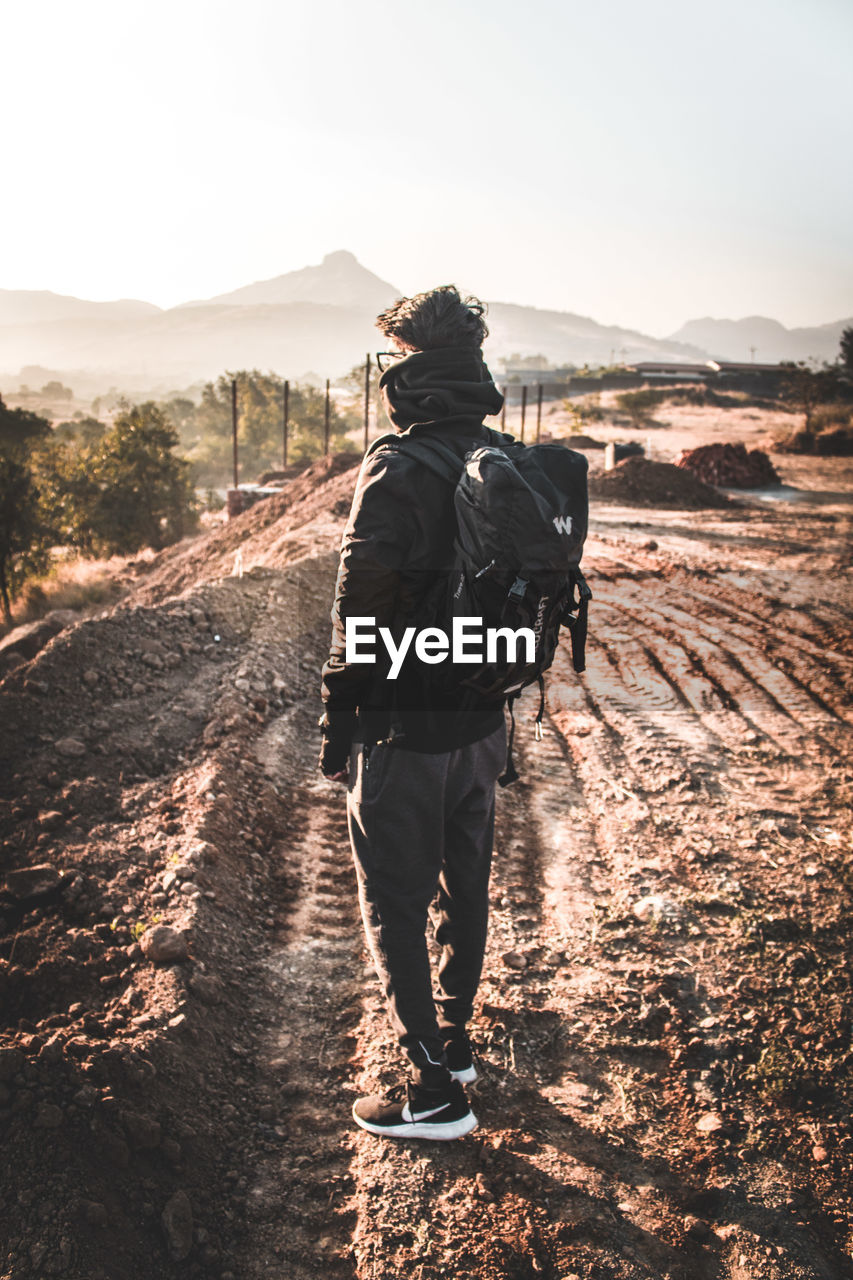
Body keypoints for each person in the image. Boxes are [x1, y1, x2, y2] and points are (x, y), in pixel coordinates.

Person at [319, 285, 509, 1140]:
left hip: (405, 723)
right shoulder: (498, 456)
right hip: (481, 721)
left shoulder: (396, 466)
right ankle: (457, 1043)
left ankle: (433, 1093)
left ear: (413, 368)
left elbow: (358, 609)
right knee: (463, 884)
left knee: (394, 899)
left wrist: (338, 719)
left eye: (396, 356)